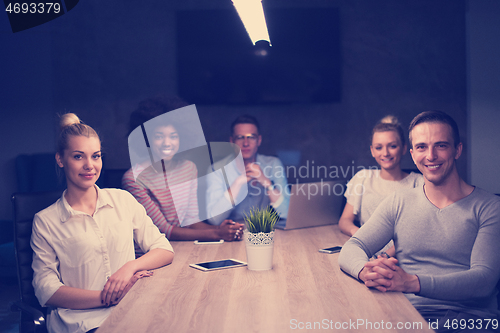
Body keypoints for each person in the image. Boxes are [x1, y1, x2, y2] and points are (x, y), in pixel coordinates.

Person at [338, 111, 500, 332]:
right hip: (407, 314)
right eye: (422, 147)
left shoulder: (490, 207)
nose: (430, 155)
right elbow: (353, 247)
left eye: (441, 145)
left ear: (457, 150)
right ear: (413, 154)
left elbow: (484, 281)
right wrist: (366, 272)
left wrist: (411, 283)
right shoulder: (399, 201)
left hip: (471, 319)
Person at [31, 113, 174, 333]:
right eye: (79, 157)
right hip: (81, 324)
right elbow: (46, 290)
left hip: (131, 311)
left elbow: (164, 249)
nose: (90, 165)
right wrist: (106, 297)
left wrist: (129, 268)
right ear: (60, 159)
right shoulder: (45, 222)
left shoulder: (122, 200)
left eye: (95, 156)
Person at [122, 98, 242, 242]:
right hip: (148, 253)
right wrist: (217, 234)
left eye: (173, 136)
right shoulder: (134, 179)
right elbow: (164, 230)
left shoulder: (188, 168)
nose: (167, 143)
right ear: (147, 139)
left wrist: (223, 229)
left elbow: (191, 220)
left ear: (182, 138)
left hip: (180, 248)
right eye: (159, 137)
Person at [338, 115, 423, 256]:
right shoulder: (363, 178)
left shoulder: (419, 183)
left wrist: (386, 256)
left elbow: (420, 232)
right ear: (372, 151)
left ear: (403, 148)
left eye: (393, 146)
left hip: (404, 258)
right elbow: (345, 220)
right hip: (366, 254)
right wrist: (359, 235)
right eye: (379, 147)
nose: (385, 153)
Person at [206, 115, 289, 228]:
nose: (246, 143)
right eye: (240, 137)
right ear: (232, 141)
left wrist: (268, 184)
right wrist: (238, 183)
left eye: (251, 137)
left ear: (259, 140)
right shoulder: (216, 169)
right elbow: (214, 220)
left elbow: (287, 213)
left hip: (264, 233)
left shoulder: (273, 164)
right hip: (232, 235)